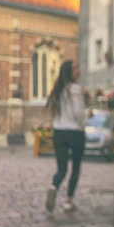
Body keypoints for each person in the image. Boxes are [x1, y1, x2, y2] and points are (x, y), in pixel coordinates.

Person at [44, 60, 87, 213]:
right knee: (75, 167)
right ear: (69, 72)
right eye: (76, 68)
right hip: (75, 132)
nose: (79, 71)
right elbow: (78, 114)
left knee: (61, 169)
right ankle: (68, 201)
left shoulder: (58, 90)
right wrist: (85, 120)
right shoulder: (75, 89)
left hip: (59, 133)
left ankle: (53, 186)